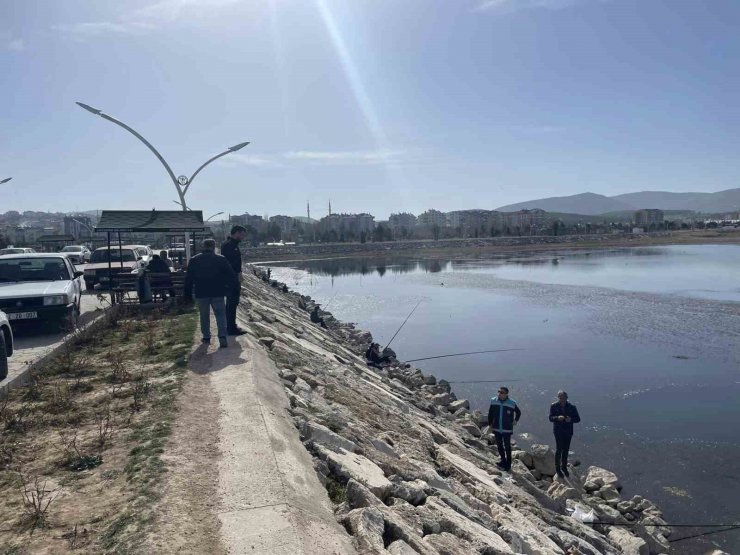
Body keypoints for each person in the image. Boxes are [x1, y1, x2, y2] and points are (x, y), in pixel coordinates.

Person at [184, 239, 237, 348]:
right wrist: (229, 289)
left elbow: (188, 279)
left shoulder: (194, 260)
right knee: (221, 315)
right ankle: (222, 336)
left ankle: (207, 337)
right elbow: (231, 275)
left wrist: (187, 295)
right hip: (218, 292)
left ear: (203, 246)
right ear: (214, 247)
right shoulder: (221, 259)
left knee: (204, 315)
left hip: (201, 292)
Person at [221, 225, 247, 336]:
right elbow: (230, 264)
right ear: (236, 233)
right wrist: (236, 275)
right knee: (231, 303)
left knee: (233, 303)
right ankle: (231, 328)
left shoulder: (232, 244)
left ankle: (232, 326)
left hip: (232, 279)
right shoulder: (229, 245)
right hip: (231, 280)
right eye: (242, 234)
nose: (243, 237)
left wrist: (239, 273)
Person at [488, 386, 521, 471]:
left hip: (507, 429)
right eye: (499, 391)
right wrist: (490, 424)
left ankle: (508, 464)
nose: (499, 393)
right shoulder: (493, 400)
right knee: (499, 445)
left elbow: (518, 412)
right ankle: (503, 460)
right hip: (496, 427)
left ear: (506, 394)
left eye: (502, 392)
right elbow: (490, 413)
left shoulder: (512, 403)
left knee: (507, 446)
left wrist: (515, 420)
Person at [549, 390, 581, 478]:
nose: (561, 399)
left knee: (566, 450)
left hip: (568, 431)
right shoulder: (554, 406)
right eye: (560, 397)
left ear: (567, 398)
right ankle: (557, 468)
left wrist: (570, 419)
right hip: (558, 431)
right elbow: (550, 418)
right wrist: (557, 417)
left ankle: (564, 467)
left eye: (563, 397)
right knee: (559, 449)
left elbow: (578, 419)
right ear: (558, 398)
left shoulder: (572, 407)